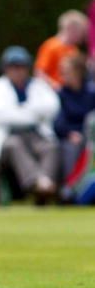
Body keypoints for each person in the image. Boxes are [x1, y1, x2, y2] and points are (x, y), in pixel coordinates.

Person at [0, 46, 60, 204]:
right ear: (6, 68)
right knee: (15, 145)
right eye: (13, 67)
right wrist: (32, 113)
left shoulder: (40, 86)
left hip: (36, 135)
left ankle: (43, 184)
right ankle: (39, 182)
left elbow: (52, 107)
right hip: (7, 136)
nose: (18, 71)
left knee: (50, 147)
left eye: (21, 66)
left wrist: (18, 112)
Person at [53, 53, 95, 201]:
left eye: (66, 71)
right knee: (71, 147)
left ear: (77, 72)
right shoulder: (61, 94)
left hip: (91, 136)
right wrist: (70, 133)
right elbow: (58, 122)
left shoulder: (91, 93)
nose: (62, 75)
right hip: (69, 136)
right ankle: (70, 190)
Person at [34, 9, 88, 90]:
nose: (82, 37)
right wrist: (55, 87)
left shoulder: (74, 49)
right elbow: (39, 73)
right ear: (71, 28)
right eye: (81, 32)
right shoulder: (51, 46)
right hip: (53, 93)